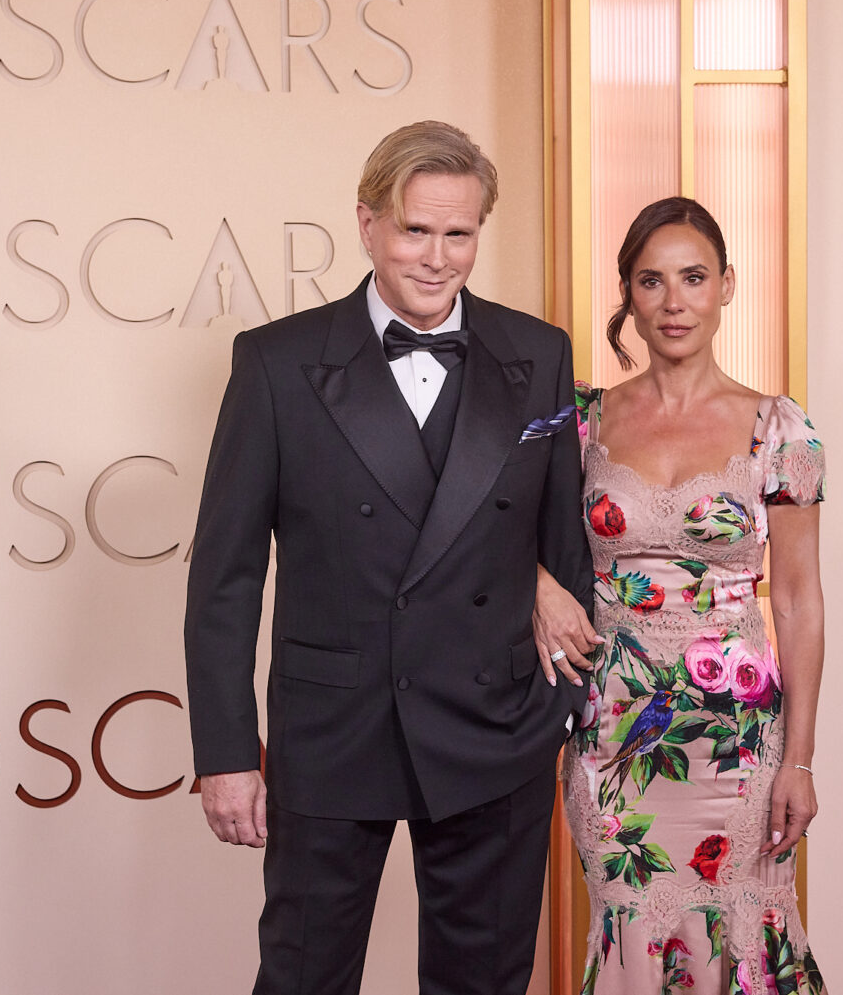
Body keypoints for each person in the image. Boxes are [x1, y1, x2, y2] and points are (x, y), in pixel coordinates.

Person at [183, 120, 593, 995]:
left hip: (497, 728)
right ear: (367, 224)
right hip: (334, 729)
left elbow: (562, 545)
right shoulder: (277, 363)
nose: (437, 257)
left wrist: (558, 707)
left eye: (460, 233)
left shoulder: (540, 354)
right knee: (303, 980)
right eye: (415, 230)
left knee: (483, 984)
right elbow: (225, 578)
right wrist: (224, 751)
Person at [533, 197, 828, 993]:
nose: (674, 302)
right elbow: (495, 530)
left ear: (727, 286)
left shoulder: (778, 427)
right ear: (628, 294)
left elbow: (798, 601)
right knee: (628, 918)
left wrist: (798, 758)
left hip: (736, 739)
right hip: (612, 731)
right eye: (651, 281)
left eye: (694, 278)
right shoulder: (582, 422)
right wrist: (538, 589)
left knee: (743, 923)